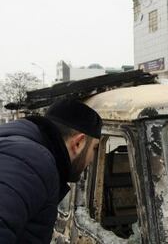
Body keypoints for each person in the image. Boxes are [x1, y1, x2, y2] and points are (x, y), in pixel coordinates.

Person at [0, 99, 102, 243]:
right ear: (78, 143)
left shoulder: (25, 151)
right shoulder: (30, 161)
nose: (92, 159)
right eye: (95, 148)